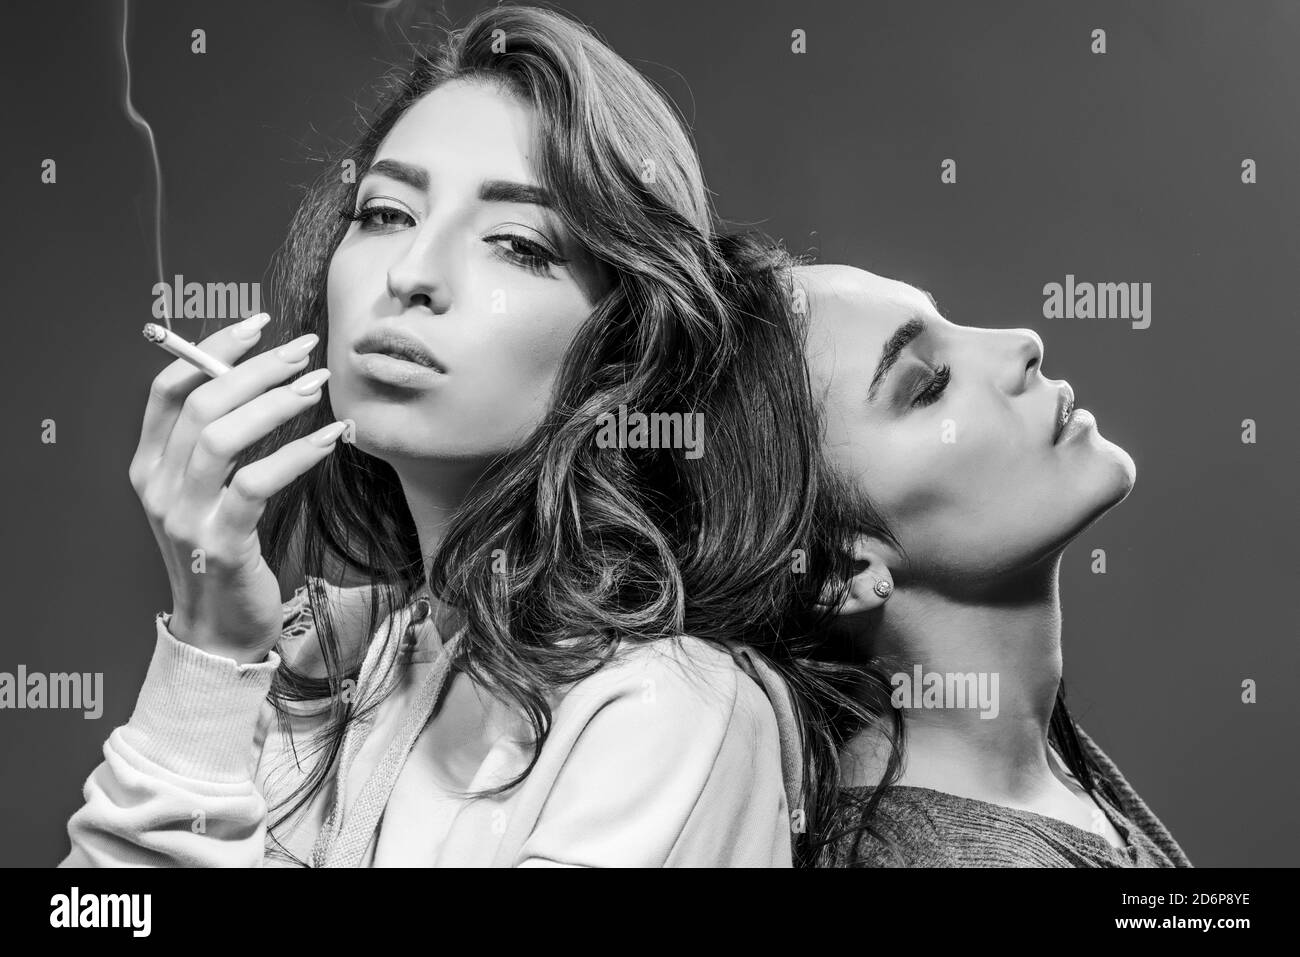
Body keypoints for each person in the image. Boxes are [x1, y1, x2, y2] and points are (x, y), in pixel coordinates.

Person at [60, 6, 829, 868]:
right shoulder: (326, 659)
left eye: (517, 244)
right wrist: (208, 651)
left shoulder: (666, 709)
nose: (412, 274)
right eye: (386, 212)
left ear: (625, 342)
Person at [792, 263, 1191, 867]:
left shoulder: (1028, 764)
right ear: (841, 570)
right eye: (930, 386)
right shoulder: (945, 857)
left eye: (949, 322)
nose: (1022, 343)